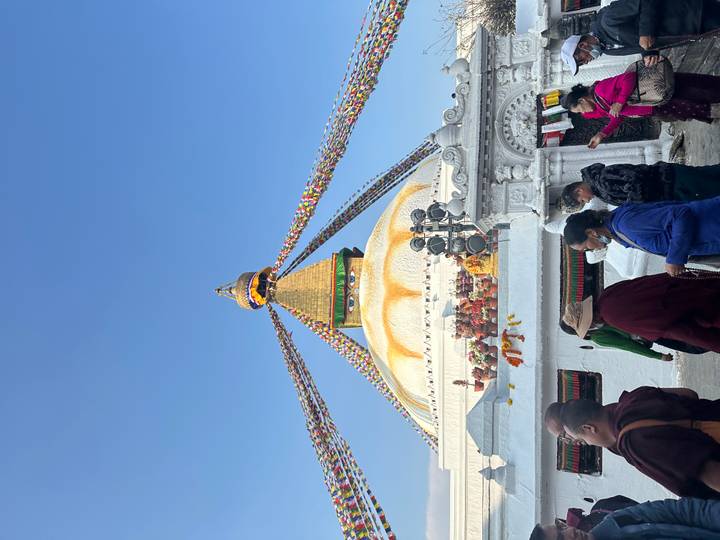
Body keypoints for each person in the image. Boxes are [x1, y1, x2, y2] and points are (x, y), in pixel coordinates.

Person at [558, 386, 720, 498]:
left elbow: (707, 470)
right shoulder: (634, 396)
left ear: (589, 428)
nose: (588, 443)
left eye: (583, 440)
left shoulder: (634, 442)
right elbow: (689, 394)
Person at [562, 275, 720, 353]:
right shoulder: (607, 293)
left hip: (703, 310)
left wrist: (712, 343)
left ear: (591, 321)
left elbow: (668, 329)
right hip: (697, 286)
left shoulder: (614, 318)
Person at [560, 73, 720, 149]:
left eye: (579, 109)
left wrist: (619, 102)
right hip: (656, 106)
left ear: (582, 100)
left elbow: (629, 78)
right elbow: (618, 116)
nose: (583, 113)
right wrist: (602, 134)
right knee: (694, 108)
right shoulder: (601, 107)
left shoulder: (601, 90)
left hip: (656, 93)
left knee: (699, 93)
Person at [563, 201, 720, 276]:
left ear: (591, 233)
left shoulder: (626, 224)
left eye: (586, 247)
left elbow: (680, 214)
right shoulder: (620, 236)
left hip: (712, 223)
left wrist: (674, 258)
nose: (592, 250)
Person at [560, 0, 720, 74]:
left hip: (690, 12)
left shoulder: (608, 20)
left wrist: (645, 32)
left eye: (581, 60)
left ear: (582, 46)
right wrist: (648, 53)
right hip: (686, 33)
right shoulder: (608, 50)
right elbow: (640, 43)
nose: (586, 62)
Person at [563, 297, 707, 359]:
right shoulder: (606, 300)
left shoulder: (604, 316)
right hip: (656, 321)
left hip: (655, 328)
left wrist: (658, 356)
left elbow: (629, 345)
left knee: (697, 343)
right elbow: (628, 345)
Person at [530, 497, 720, 539]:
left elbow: (682, 511)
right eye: (562, 539)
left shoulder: (619, 520)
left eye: (562, 528)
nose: (570, 530)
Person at [561, 162, 720, 210]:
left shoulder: (602, 179)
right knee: (710, 179)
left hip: (670, 181)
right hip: (669, 187)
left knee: (710, 183)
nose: (587, 201)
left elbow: (634, 178)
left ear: (579, 190)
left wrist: (633, 206)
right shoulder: (600, 189)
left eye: (582, 200)